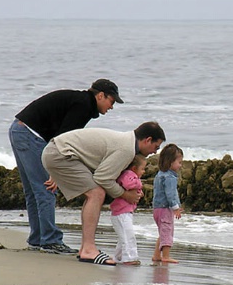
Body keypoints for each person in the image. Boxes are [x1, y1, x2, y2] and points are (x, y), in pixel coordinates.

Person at [9, 78, 124, 255]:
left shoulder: (81, 101)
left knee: (34, 191)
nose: (112, 106)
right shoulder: (84, 106)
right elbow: (63, 140)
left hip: (19, 129)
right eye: (112, 101)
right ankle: (50, 241)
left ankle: (38, 239)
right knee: (47, 188)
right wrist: (55, 172)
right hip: (30, 134)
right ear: (101, 95)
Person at [41, 121, 166, 266]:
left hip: (58, 151)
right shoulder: (126, 149)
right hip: (60, 154)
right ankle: (88, 250)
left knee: (94, 193)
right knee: (96, 193)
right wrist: (126, 195)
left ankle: (85, 248)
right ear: (147, 140)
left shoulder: (127, 142)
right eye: (156, 147)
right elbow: (102, 178)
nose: (155, 152)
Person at [109, 154, 147, 266]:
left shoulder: (129, 175)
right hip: (122, 212)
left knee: (123, 236)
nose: (144, 172)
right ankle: (129, 257)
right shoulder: (129, 175)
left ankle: (118, 257)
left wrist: (139, 191)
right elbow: (128, 184)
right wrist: (140, 185)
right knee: (128, 235)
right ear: (134, 168)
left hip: (123, 212)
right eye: (142, 169)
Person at [151, 144, 184, 264]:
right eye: (179, 162)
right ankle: (165, 256)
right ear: (170, 162)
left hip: (157, 209)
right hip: (165, 209)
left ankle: (156, 255)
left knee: (163, 232)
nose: (180, 165)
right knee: (167, 232)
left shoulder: (159, 174)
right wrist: (175, 207)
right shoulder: (170, 177)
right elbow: (170, 194)